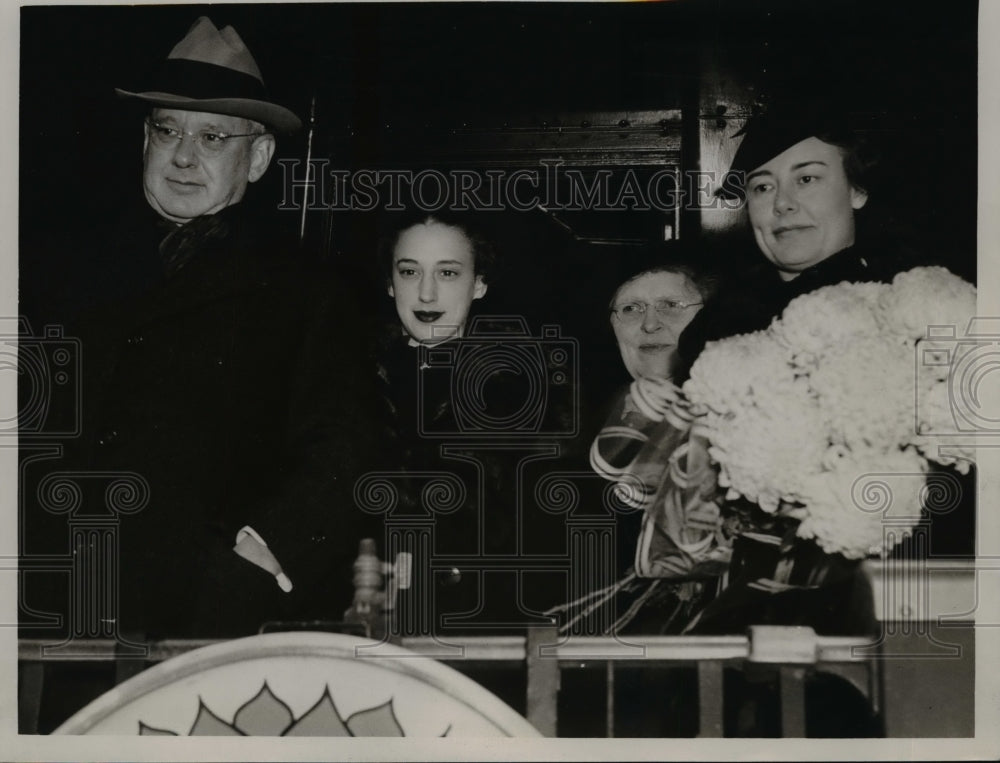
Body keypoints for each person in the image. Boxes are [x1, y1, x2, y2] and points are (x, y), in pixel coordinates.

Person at [20, 17, 379, 648]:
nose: (184, 156)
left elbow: (343, 446)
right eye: (167, 130)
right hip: (51, 607)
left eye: (213, 137)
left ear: (259, 156)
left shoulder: (309, 291)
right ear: (144, 142)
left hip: (206, 619)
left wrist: (262, 554)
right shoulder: (50, 269)